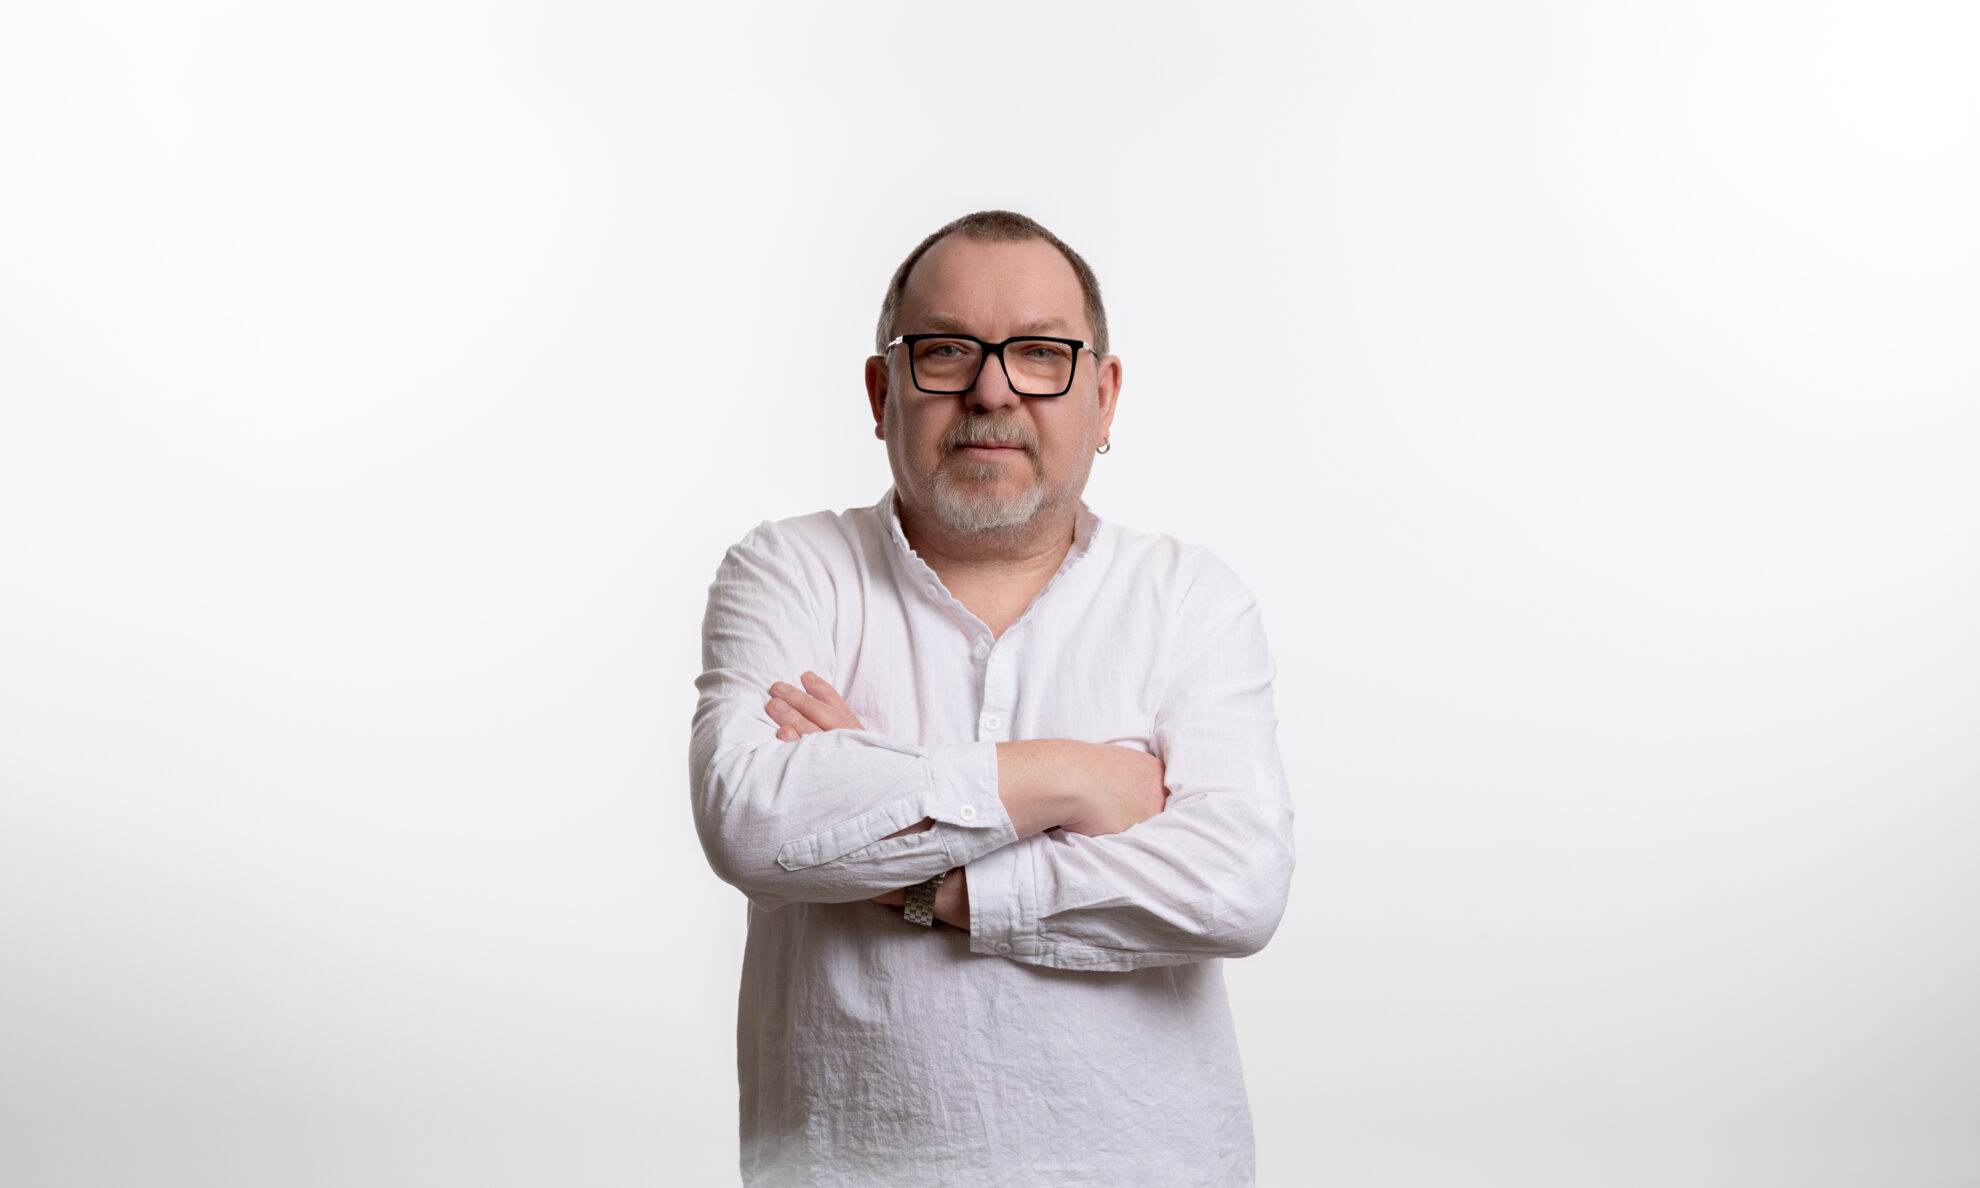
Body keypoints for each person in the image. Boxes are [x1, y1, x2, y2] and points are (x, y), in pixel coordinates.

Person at [689, 210, 1296, 1186]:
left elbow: (1236, 887)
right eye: (946, 351)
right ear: (882, 392)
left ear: (1103, 396)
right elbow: (754, 825)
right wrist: (1074, 778)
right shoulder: (789, 571)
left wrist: (920, 881)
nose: (992, 389)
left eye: (1041, 354)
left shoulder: (1190, 598)